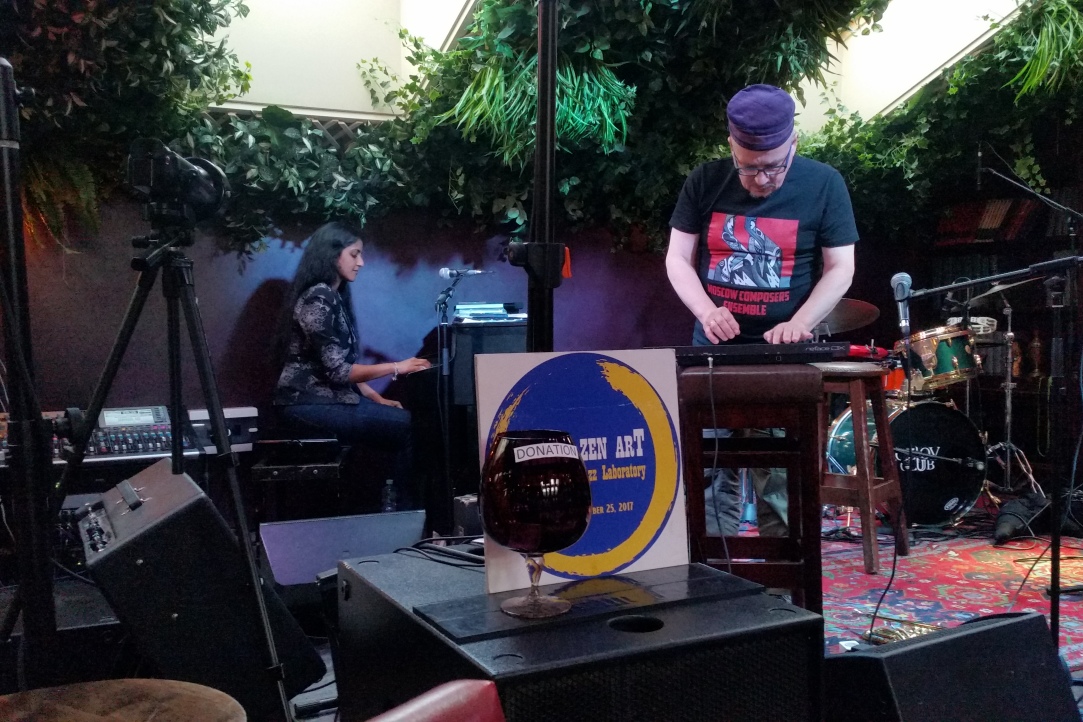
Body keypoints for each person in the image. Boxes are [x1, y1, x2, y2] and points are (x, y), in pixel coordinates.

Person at [666, 83, 858, 537]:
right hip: (714, 352)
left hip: (782, 353)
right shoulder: (704, 181)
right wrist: (706, 311)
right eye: (748, 168)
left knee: (778, 476)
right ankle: (713, 566)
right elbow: (677, 258)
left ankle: (785, 566)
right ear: (731, 147)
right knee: (711, 469)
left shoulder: (824, 183)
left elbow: (841, 267)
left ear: (794, 144)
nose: (761, 179)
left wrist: (800, 322)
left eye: (773, 167)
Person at [274, 220, 431, 509]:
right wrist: (397, 367)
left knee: (400, 424)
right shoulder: (318, 298)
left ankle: (392, 507)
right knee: (409, 427)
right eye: (354, 254)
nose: (361, 262)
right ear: (332, 254)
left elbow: (340, 365)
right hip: (305, 404)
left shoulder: (331, 296)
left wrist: (376, 398)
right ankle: (403, 513)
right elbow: (339, 371)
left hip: (324, 400)